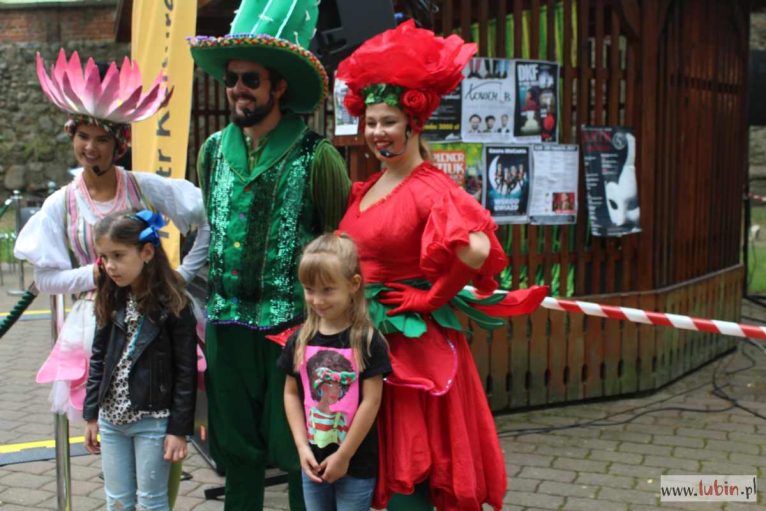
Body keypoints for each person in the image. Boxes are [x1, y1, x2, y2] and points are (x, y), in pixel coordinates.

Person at [337, 21, 548, 511]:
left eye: (389, 122)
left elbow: (476, 249)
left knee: (411, 466)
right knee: (375, 457)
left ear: (413, 124)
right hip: (367, 335)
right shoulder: (371, 184)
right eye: (370, 122)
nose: (377, 132)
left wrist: (431, 297)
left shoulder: (429, 186)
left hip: (409, 344)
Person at [188, 1, 351, 508]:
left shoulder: (317, 156)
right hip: (226, 325)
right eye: (232, 79)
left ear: (278, 86)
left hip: (292, 330)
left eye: (251, 79)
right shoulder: (212, 151)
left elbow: (334, 237)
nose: (238, 89)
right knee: (237, 451)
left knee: (302, 448)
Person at [15, 49, 209, 420]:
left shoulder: (143, 186)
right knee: (106, 425)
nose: (90, 148)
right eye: (83, 136)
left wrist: (182, 274)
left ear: (119, 144)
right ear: (72, 136)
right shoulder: (61, 203)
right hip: (97, 322)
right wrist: (96, 273)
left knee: (159, 416)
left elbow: (207, 217)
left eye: (101, 139)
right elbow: (46, 279)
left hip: (153, 317)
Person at [83, 210, 197, 511]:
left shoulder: (175, 304)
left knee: (152, 502)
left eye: (118, 255)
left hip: (153, 421)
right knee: (117, 501)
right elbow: (98, 359)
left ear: (147, 252)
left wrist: (178, 430)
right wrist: (91, 415)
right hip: (111, 421)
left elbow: (186, 372)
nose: (109, 265)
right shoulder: (110, 297)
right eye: (104, 257)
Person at [278, 233, 391, 511]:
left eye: (327, 290)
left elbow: (371, 401)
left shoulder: (367, 340)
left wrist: (344, 456)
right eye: (309, 289)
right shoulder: (299, 339)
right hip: (312, 462)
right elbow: (291, 393)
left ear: (353, 284)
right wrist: (302, 447)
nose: (317, 300)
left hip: (355, 464)